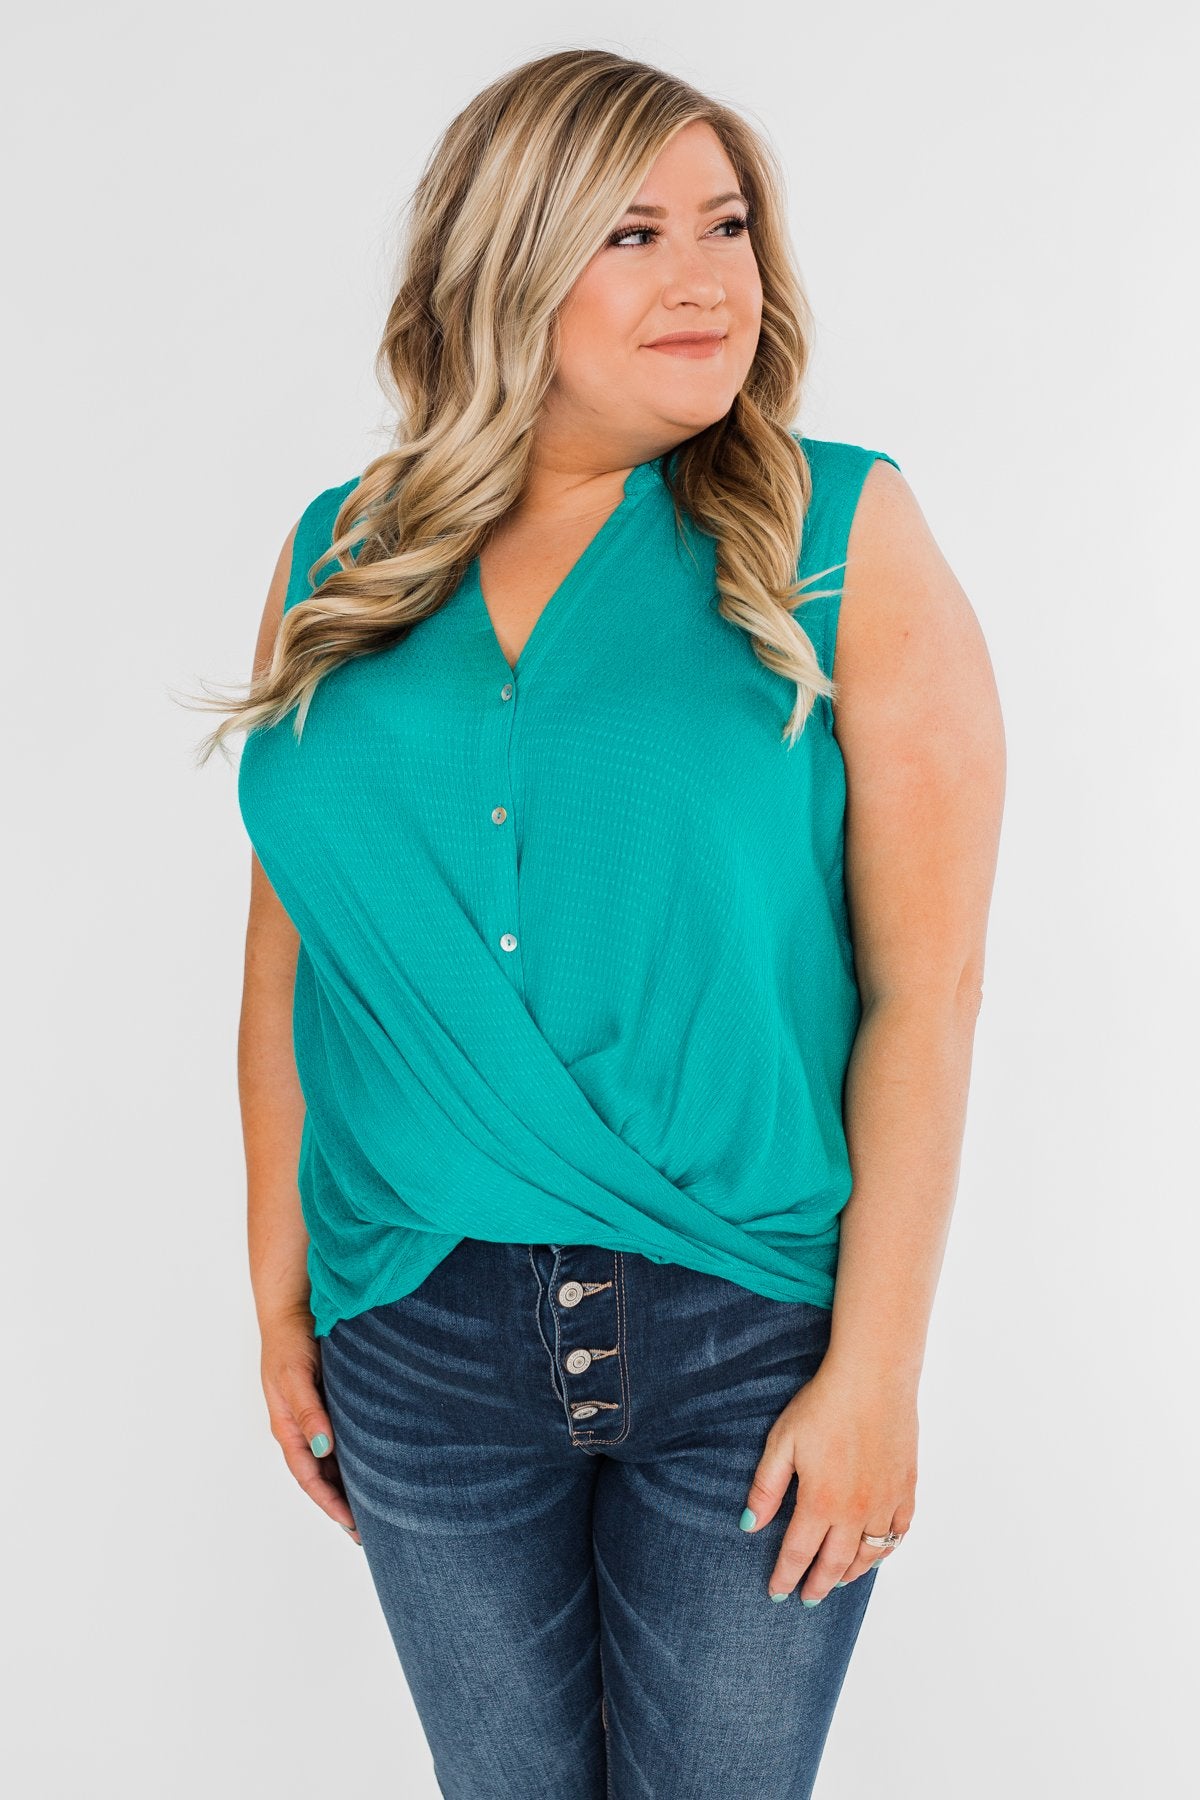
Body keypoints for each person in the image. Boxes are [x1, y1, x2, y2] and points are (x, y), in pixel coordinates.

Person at [195, 47, 1005, 1800]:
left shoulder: (842, 531)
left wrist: (879, 1367)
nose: (708, 278)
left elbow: (927, 992)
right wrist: (280, 1302)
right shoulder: (341, 553)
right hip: (413, 1324)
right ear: (506, 257)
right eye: (633, 233)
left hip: (747, 1335)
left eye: (729, 225)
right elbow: (290, 962)